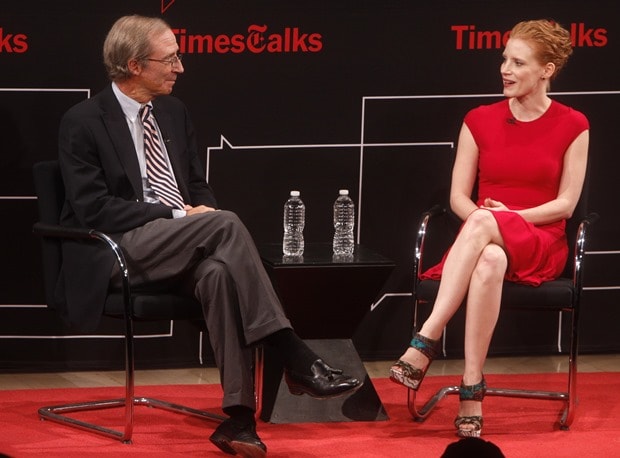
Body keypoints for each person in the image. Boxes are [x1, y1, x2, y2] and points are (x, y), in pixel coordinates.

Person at [57, 15, 361, 457]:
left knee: (219, 272)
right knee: (224, 222)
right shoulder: (83, 121)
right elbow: (93, 209)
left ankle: (238, 421)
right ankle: (290, 351)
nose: (180, 67)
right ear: (134, 65)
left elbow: (195, 186)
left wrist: (195, 211)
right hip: (118, 248)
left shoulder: (173, 112)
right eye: (171, 58)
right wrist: (180, 213)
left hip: (179, 244)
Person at [389, 19, 589, 438]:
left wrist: (506, 218)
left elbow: (566, 205)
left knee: (483, 220)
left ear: (547, 69)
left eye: (518, 62)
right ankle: (471, 389)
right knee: (490, 256)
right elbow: (458, 198)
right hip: (482, 242)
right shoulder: (478, 119)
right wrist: (491, 221)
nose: (505, 69)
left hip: (540, 239)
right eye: (504, 59)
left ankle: (425, 340)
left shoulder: (574, 124)